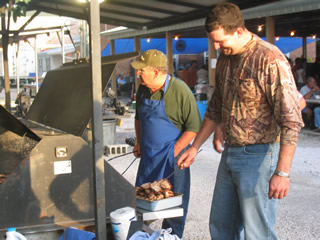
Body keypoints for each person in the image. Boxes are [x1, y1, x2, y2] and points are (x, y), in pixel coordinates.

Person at [177, 3, 304, 239]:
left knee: (257, 233)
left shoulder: (269, 59)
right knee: (221, 226)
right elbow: (216, 108)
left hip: (260, 154)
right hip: (230, 153)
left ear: (237, 31)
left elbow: (291, 120)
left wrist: (282, 173)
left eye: (220, 41)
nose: (216, 47)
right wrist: (195, 147)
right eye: (213, 42)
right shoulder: (226, 58)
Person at [131, 49, 201, 238]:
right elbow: (139, 118)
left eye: (141, 71)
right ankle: (139, 235)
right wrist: (139, 142)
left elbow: (193, 127)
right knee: (142, 201)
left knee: (173, 204)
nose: (138, 74)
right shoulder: (142, 88)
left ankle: (171, 236)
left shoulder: (180, 90)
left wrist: (175, 151)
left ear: (155, 72)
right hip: (148, 157)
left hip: (172, 159)